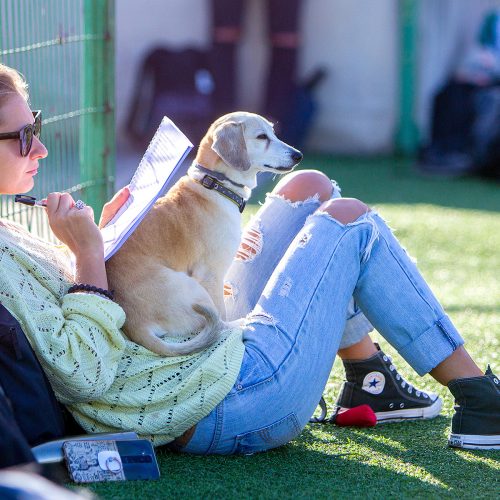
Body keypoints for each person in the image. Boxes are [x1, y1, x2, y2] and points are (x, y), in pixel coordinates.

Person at [0, 63, 498, 458]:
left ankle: (369, 382)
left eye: (36, 125)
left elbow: (73, 307)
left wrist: (108, 238)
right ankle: (479, 400)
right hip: (205, 397)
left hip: (194, 353)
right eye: (23, 136)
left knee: (310, 187)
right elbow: (82, 372)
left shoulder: (8, 229)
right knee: (350, 224)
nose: (40, 146)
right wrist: (89, 254)